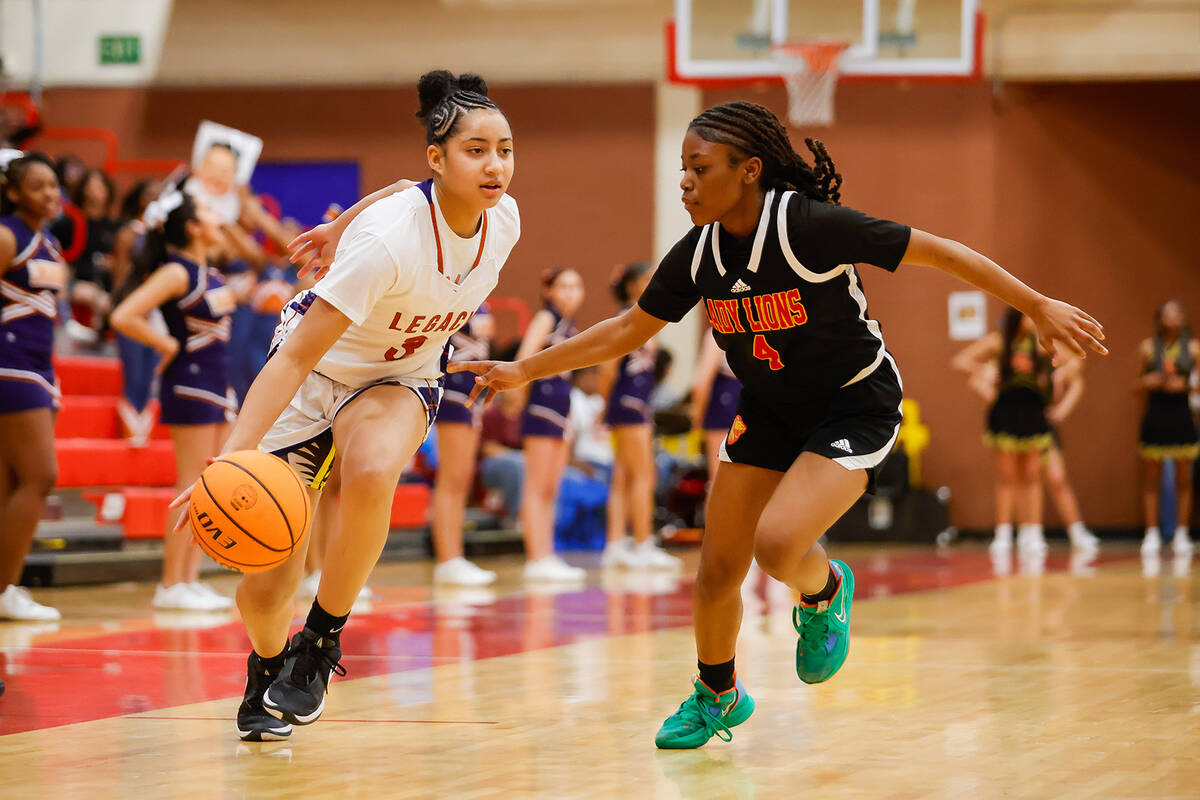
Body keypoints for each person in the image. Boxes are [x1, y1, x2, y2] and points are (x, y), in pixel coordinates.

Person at [450, 101, 1106, 749]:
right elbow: (627, 329)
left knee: (778, 543)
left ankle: (823, 593)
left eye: (699, 168)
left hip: (854, 402)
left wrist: (1036, 304)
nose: (684, 181)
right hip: (768, 409)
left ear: (749, 170)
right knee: (716, 570)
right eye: (681, 167)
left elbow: (940, 253)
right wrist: (527, 369)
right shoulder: (700, 254)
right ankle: (717, 695)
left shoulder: (809, 228)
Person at [170, 70, 519, 741]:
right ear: (438, 159)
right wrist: (232, 456)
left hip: (402, 376)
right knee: (269, 583)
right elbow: (296, 357)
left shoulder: (503, 219)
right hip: (314, 375)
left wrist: (339, 223)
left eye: (504, 148)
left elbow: (402, 190)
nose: (495, 164)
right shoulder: (390, 242)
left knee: (370, 469)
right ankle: (268, 659)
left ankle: (320, 643)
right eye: (476, 150)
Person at [110, 183, 239, 612]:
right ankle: (170, 584)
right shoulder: (177, 271)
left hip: (219, 385)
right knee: (191, 485)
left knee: (213, 487)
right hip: (189, 382)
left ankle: (190, 580)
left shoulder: (212, 271)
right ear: (193, 227)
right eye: (207, 209)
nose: (217, 216)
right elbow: (124, 315)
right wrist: (164, 345)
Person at [952, 309, 1098, 555]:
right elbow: (960, 361)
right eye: (1028, 316)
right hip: (1006, 414)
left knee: (1034, 476)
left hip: (1032, 415)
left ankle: (1033, 533)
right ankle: (1004, 534)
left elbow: (1075, 362)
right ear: (1017, 320)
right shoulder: (999, 342)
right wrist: (984, 372)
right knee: (1007, 477)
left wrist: (1063, 374)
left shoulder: (1040, 344)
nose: (1033, 320)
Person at [0, 152, 66, 621]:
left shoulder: (50, 244)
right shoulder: (7, 235)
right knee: (41, 475)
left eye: (53, 184)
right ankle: (5, 586)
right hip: (10, 363)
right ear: (14, 192)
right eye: (39, 185)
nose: (50, 192)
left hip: (39, 367)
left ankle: (6, 586)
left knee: (10, 484)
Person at [600, 262, 680, 570]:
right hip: (628, 405)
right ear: (632, 285)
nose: (651, 283)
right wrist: (608, 407)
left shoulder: (648, 319)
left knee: (623, 476)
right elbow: (607, 368)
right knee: (644, 474)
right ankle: (643, 543)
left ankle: (615, 543)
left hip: (637, 403)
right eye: (645, 279)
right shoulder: (625, 317)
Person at [514, 267, 587, 581]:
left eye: (576, 286)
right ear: (549, 291)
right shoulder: (545, 318)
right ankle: (536, 558)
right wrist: (516, 399)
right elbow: (523, 358)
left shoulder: (568, 323)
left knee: (551, 488)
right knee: (537, 485)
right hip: (542, 406)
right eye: (564, 286)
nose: (571, 292)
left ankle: (547, 554)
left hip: (562, 407)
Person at [430, 302, 498, 585]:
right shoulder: (454, 293)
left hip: (475, 391)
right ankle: (447, 559)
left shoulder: (483, 299)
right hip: (454, 388)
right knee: (452, 476)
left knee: (463, 477)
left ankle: (455, 557)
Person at [1137, 300, 1198, 556]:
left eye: (1178, 313)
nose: (1173, 317)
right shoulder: (1149, 348)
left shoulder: (1194, 349)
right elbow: (1136, 385)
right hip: (1156, 415)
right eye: (1168, 313)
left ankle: (1182, 533)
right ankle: (1151, 533)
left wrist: (1183, 387)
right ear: (1159, 318)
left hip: (1182, 415)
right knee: (1152, 479)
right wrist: (1147, 381)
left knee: (1185, 478)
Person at [691, 329, 742, 487]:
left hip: (724, 401)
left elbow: (700, 383)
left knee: (718, 481)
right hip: (748, 399)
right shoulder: (755, 326)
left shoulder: (719, 331)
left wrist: (697, 417)